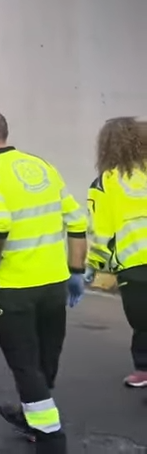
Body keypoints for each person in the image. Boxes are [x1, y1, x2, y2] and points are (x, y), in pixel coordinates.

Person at [0, 107, 86, 452]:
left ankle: (50, 438)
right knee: (46, 358)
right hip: (54, 283)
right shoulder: (41, 166)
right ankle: (30, 415)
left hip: (15, 287)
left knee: (24, 363)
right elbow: (76, 222)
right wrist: (76, 273)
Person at [86, 117, 147, 388]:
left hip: (134, 267)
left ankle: (143, 370)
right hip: (135, 266)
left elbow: (101, 232)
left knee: (142, 320)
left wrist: (93, 265)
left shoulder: (104, 184)